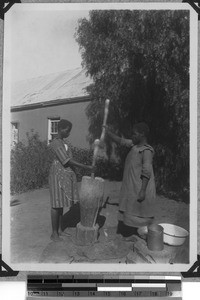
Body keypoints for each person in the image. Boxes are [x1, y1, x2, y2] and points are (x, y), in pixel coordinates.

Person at [104, 122, 156, 237]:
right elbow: (120, 141)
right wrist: (108, 132)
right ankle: (132, 234)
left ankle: (143, 235)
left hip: (141, 186)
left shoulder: (146, 150)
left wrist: (142, 190)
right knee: (131, 209)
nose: (132, 136)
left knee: (139, 211)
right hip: (132, 185)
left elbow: (147, 171)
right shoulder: (134, 145)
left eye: (134, 134)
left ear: (142, 134)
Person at [49, 119, 94, 242]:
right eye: (67, 131)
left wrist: (76, 171)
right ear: (61, 129)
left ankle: (59, 230)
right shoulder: (56, 143)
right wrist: (86, 167)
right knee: (55, 205)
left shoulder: (64, 142)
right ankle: (54, 234)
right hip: (57, 176)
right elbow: (66, 160)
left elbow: (69, 159)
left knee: (60, 203)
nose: (69, 133)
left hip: (63, 175)